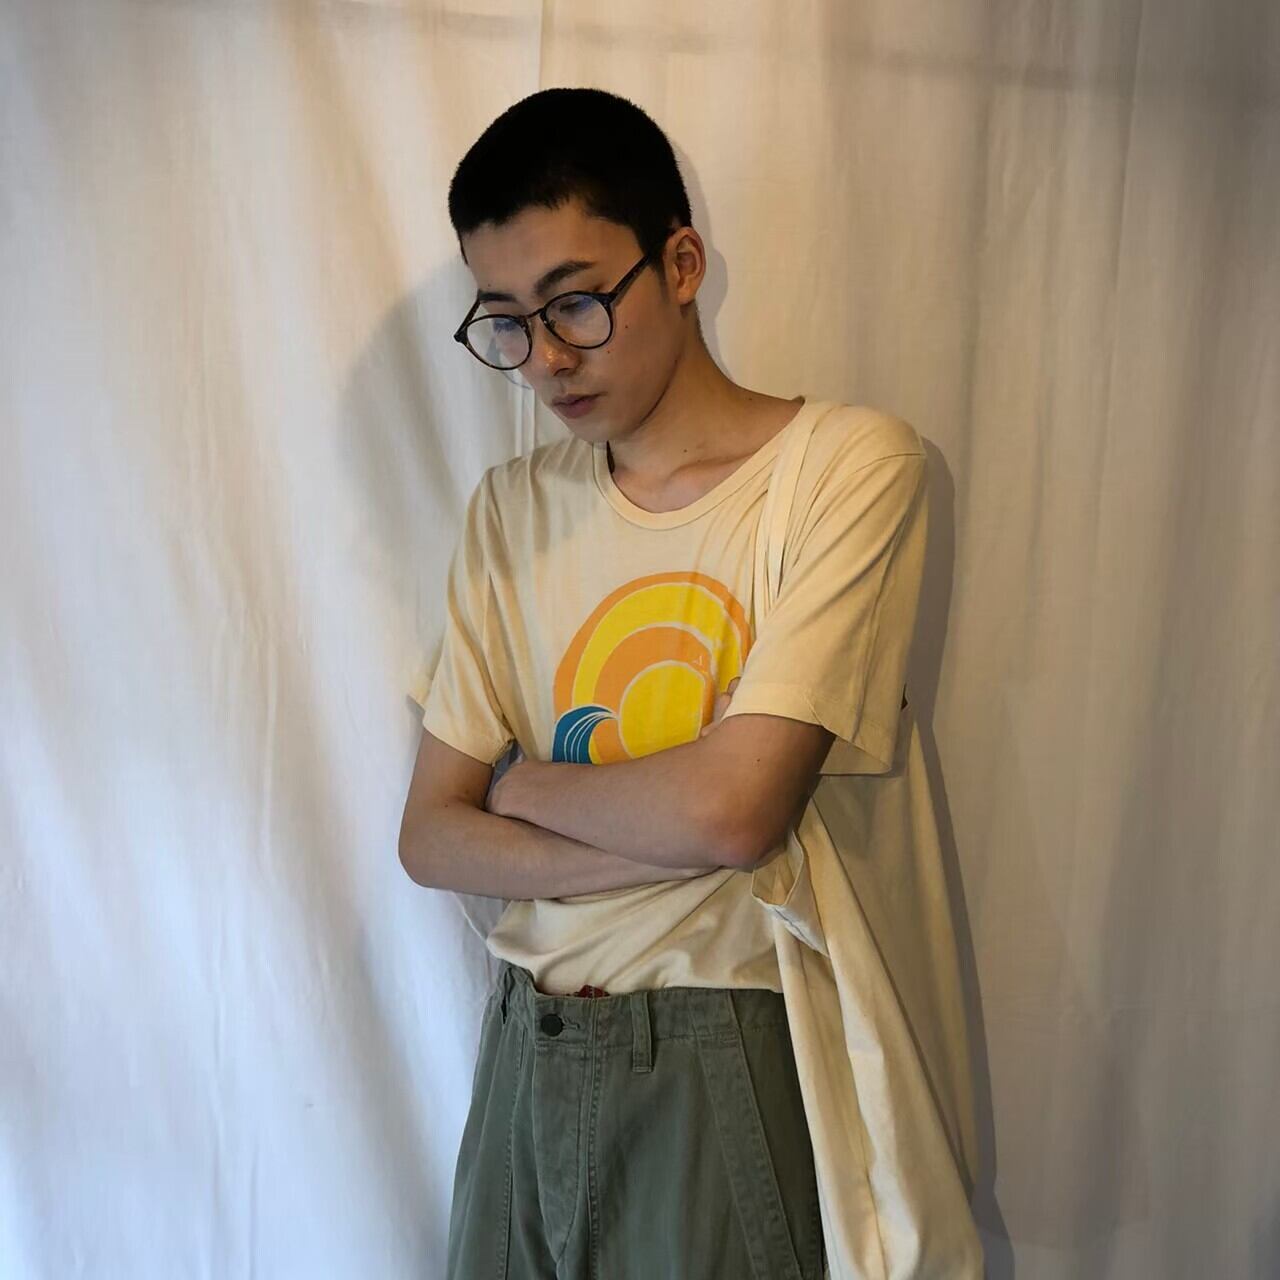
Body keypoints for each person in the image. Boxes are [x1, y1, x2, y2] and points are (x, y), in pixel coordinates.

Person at [399, 87, 966, 1280]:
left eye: (575, 303)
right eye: (505, 322)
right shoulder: (509, 510)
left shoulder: (841, 468)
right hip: (521, 1050)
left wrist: (521, 787)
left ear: (680, 263)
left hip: (722, 1049)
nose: (546, 359)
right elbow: (430, 836)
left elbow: (735, 810)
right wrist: (676, 831)